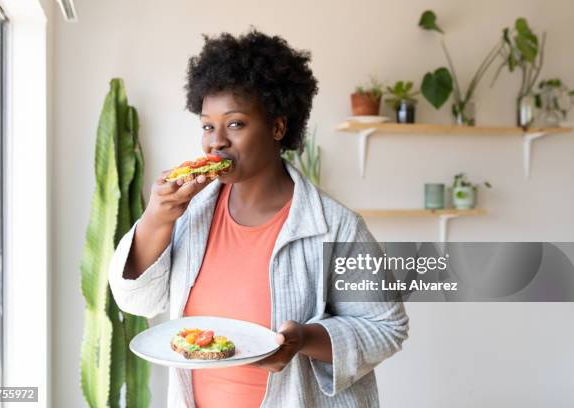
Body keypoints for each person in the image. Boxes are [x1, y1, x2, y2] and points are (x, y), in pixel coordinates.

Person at [108, 29, 409, 408]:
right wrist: (157, 217)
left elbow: (386, 328)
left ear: (278, 127)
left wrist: (303, 339)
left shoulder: (337, 226)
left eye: (235, 124)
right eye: (207, 125)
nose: (215, 141)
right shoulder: (189, 213)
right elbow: (136, 302)